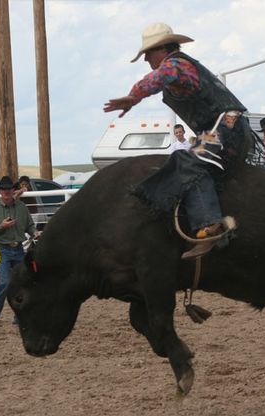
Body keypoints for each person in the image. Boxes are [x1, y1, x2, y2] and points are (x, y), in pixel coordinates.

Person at [104, 23, 252, 260]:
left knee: (187, 160)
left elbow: (161, 76)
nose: (145, 59)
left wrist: (133, 97)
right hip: (223, 129)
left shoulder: (176, 64)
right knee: (182, 161)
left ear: (163, 49)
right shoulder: (181, 66)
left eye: (148, 53)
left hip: (226, 128)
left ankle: (211, 225)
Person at [0, 176, 38, 324]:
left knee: (22, 282)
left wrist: (35, 233)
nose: (6, 192)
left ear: (13, 190)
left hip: (18, 249)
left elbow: (29, 225)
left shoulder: (21, 208)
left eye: (9, 189)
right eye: (4, 189)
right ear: (0, 191)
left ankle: (16, 316)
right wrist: (1, 226)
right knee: (5, 282)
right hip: (2, 249)